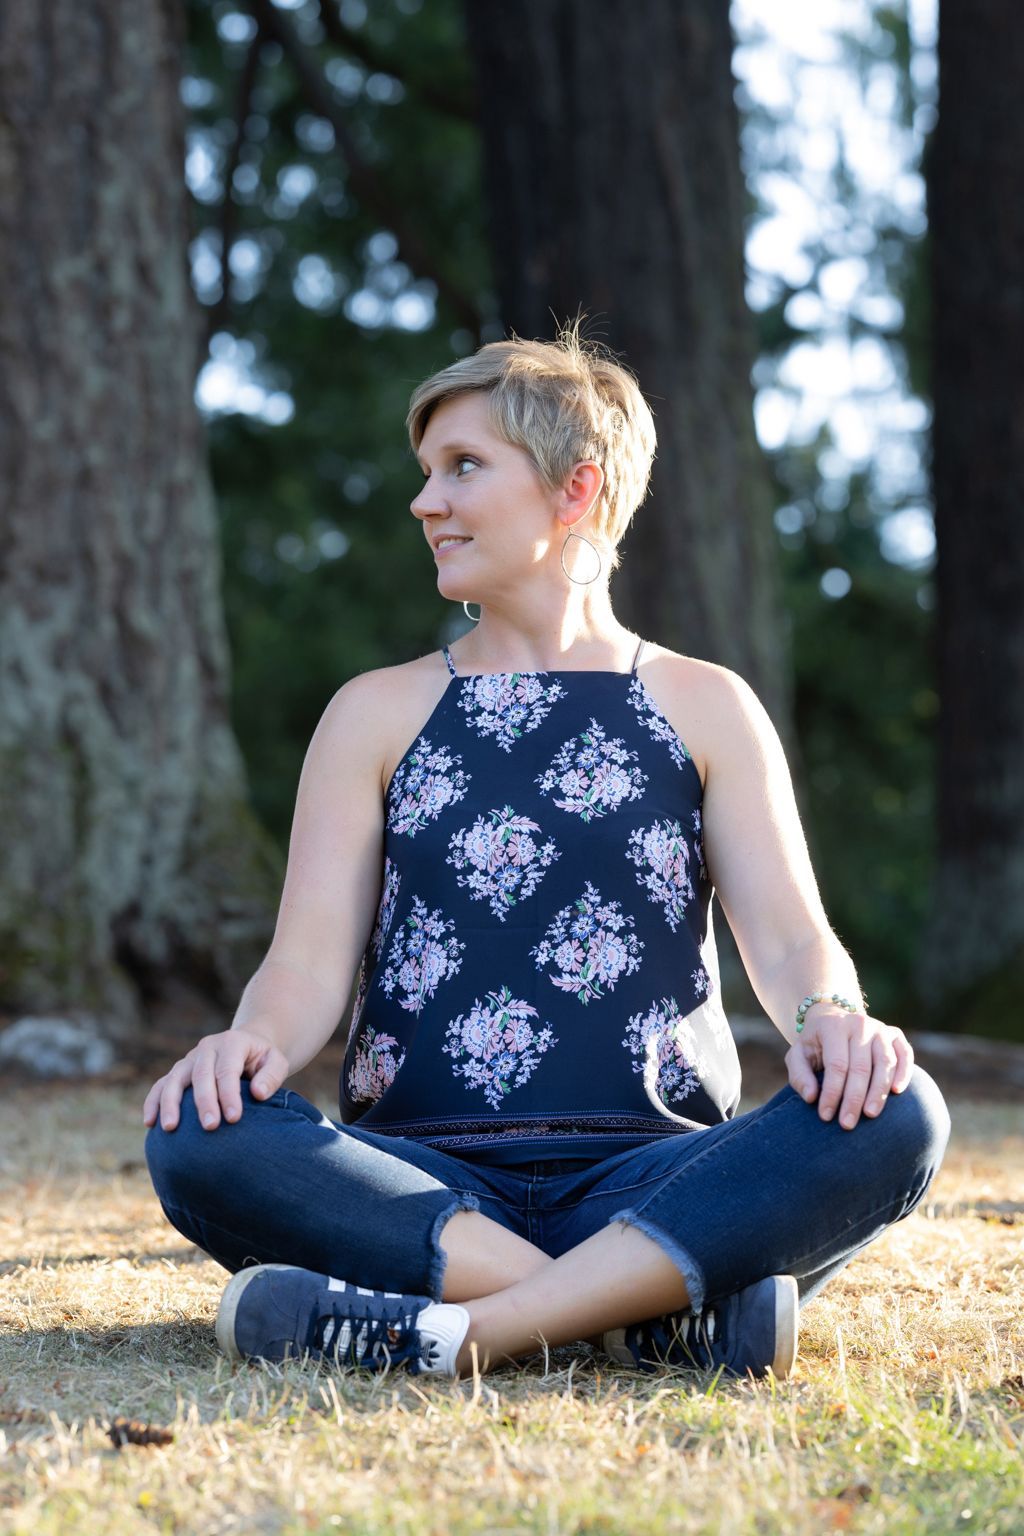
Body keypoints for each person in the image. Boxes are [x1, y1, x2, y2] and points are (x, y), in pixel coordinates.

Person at [143, 326, 950, 1382]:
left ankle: (468, 1331)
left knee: (895, 1115)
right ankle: (641, 1313)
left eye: (463, 468)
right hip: (417, 1183)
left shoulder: (706, 705)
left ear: (577, 489)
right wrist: (248, 1044)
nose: (425, 503)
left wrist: (832, 1021)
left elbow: (793, 938)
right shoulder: (375, 712)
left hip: (654, 1175)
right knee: (200, 1136)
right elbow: (303, 967)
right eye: (426, 473)